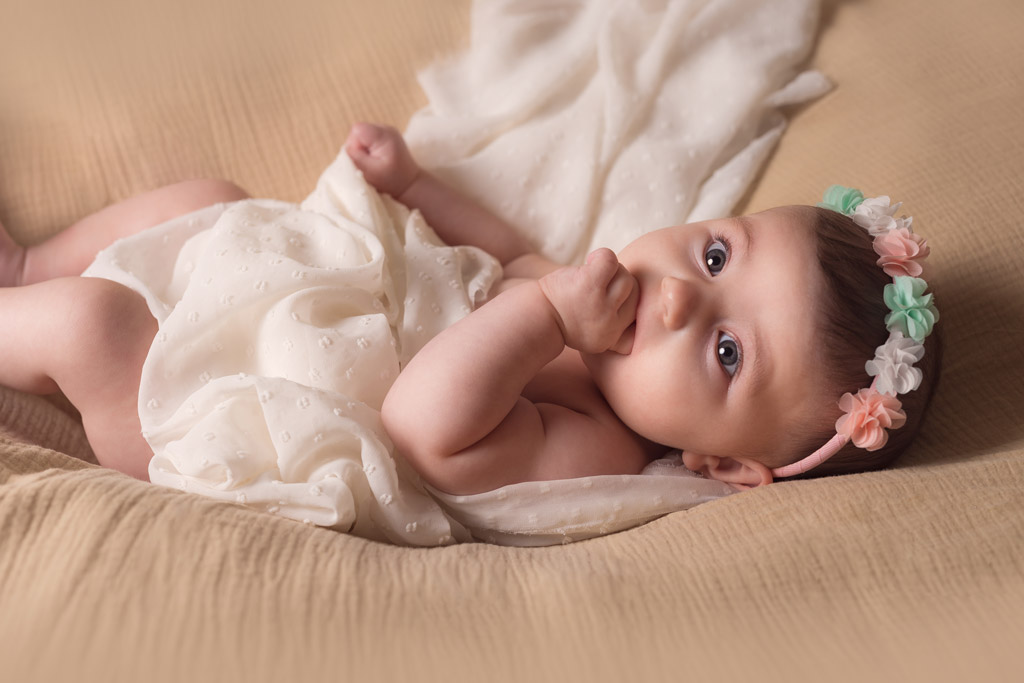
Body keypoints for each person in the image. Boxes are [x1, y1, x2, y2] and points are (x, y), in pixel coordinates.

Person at [0, 123, 940, 494]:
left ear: (720, 461)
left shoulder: (596, 443)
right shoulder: (590, 303)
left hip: (240, 405)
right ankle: (28, 262)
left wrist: (545, 321)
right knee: (206, 197)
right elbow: (500, 248)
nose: (686, 297)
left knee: (94, 328)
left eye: (730, 353)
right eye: (716, 253)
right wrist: (414, 183)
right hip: (284, 299)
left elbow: (419, 425)